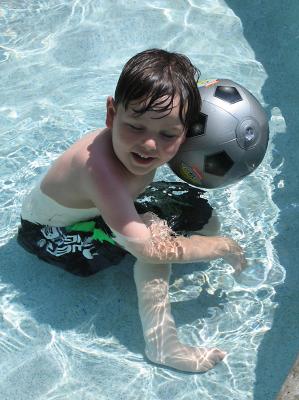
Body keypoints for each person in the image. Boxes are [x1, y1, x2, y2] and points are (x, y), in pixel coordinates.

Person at [18, 49, 246, 373]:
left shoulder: (133, 150)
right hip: (53, 234)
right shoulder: (99, 171)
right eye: (135, 126)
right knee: (155, 247)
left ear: (186, 134)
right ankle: (162, 345)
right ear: (111, 114)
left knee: (199, 215)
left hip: (95, 211)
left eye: (167, 134)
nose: (149, 145)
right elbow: (151, 249)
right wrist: (218, 247)